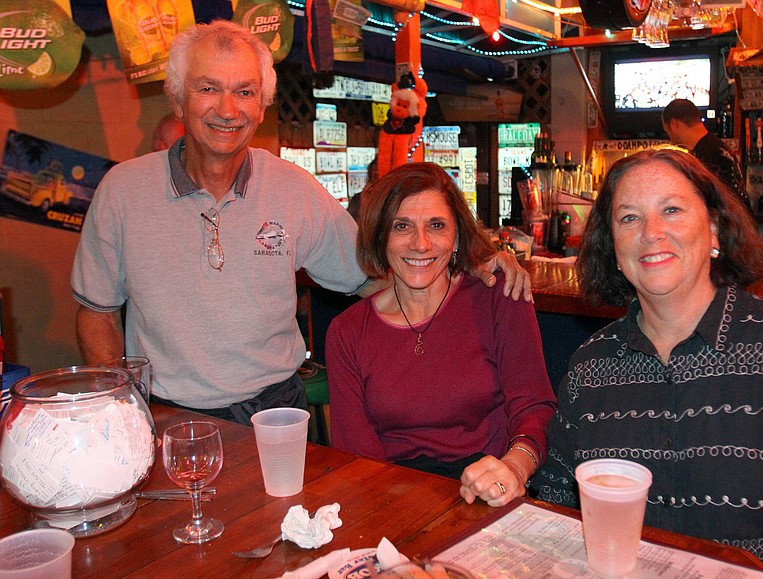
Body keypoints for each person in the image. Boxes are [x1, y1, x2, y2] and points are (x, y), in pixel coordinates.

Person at [72, 21, 530, 426]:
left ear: (263, 103)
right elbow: (97, 312)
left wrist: (473, 264)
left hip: (277, 414)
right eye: (208, 88)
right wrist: (123, 413)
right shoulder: (123, 191)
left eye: (246, 92)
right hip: (164, 413)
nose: (228, 110)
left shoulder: (292, 189)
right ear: (176, 97)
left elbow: (378, 274)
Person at [531, 148, 763, 577]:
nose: (651, 232)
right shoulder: (591, 370)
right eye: (629, 218)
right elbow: (555, 500)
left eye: (672, 210)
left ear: (715, 229)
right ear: (612, 246)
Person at [326, 162, 556, 507]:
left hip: (489, 489)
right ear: (379, 237)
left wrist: (515, 467)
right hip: (392, 498)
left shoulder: (497, 296)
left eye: (436, 225)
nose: (420, 244)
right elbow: (357, 456)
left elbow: (534, 405)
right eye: (401, 226)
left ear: (457, 237)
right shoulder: (347, 332)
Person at [661, 99, 751, 211]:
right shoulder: (716, 147)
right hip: (741, 222)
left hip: (727, 224)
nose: (671, 139)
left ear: (674, 124)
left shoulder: (703, 157)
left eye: (667, 132)